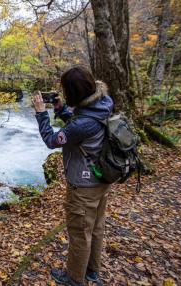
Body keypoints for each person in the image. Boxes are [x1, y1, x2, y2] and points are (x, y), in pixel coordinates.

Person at [31, 66, 114, 286]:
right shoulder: (102, 103)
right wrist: (61, 110)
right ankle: (92, 272)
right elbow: (81, 124)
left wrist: (41, 113)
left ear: (75, 93)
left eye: (66, 91)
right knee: (95, 228)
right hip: (101, 179)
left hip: (84, 185)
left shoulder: (83, 123)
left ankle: (75, 278)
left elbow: (52, 140)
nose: (64, 94)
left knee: (80, 232)